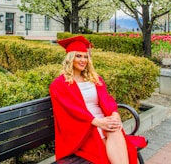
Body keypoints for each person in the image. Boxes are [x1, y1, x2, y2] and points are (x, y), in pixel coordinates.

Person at [49, 36, 142, 164]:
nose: (83, 60)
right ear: (70, 58)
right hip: (83, 128)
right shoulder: (59, 85)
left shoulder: (94, 79)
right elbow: (71, 111)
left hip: (102, 120)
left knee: (113, 128)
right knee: (110, 141)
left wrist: (114, 113)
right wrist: (96, 122)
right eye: (78, 56)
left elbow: (107, 99)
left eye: (85, 56)